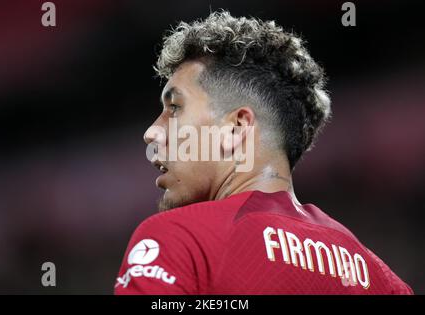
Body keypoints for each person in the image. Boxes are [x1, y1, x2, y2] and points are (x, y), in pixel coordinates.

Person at [115, 11, 413, 294]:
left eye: (175, 107)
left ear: (237, 127)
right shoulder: (383, 281)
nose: (152, 132)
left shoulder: (177, 240)